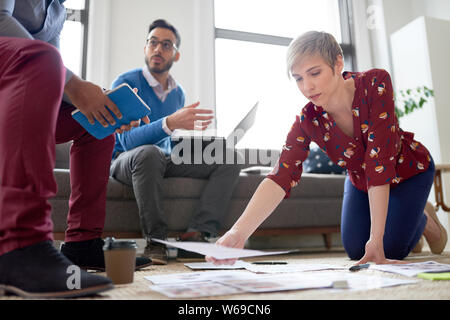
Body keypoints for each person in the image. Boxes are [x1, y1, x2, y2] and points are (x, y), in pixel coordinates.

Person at [207, 31, 447, 266]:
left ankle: (424, 219)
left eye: (314, 73)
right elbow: (280, 176)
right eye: (298, 78)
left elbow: (379, 161)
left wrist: (376, 238)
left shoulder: (375, 82)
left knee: (387, 247)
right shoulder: (307, 120)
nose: (307, 86)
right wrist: (238, 232)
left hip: (408, 171)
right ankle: (414, 217)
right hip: (361, 180)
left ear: (338, 62)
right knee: (355, 250)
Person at [0, 0, 151, 298]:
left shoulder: (56, 10)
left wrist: (100, 101)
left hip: (20, 89)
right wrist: (75, 85)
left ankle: (82, 243)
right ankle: (20, 247)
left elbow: (51, 74)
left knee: (97, 124)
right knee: (44, 58)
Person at [110, 19, 242, 265]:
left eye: (166, 45)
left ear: (176, 55)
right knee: (148, 154)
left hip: (164, 157)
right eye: (153, 43)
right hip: (125, 160)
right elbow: (127, 142)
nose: (158, 49)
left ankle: (195, 235)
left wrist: (194, 138)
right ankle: (156, 242)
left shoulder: (177, 92)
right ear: (145, 48)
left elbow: (168, 141)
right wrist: (171, 122)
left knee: (230, 156)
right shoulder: (126, 83)